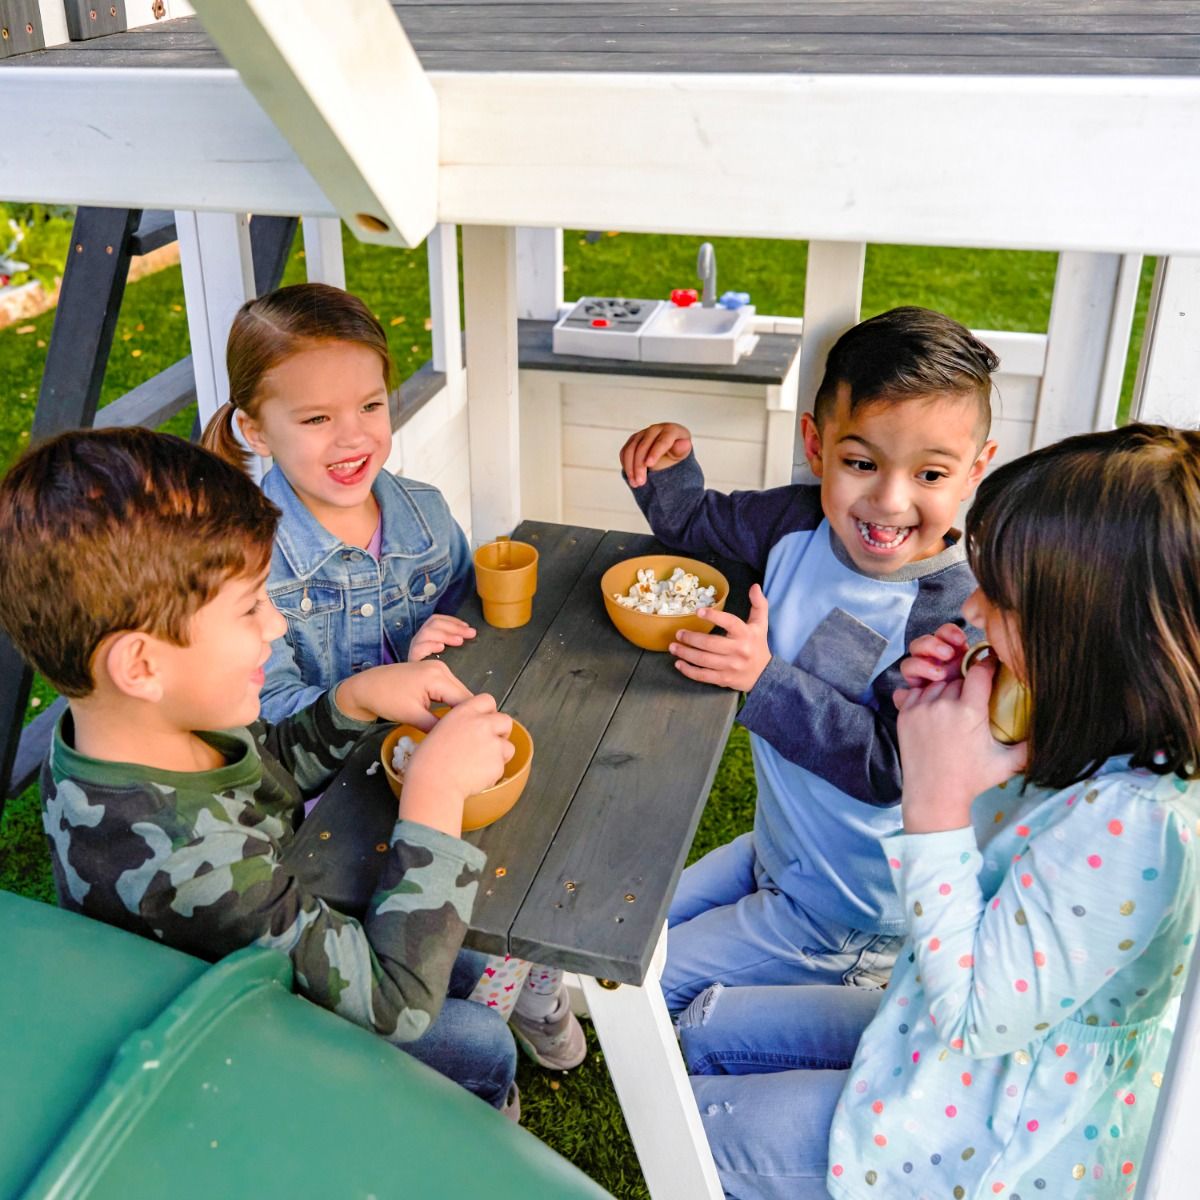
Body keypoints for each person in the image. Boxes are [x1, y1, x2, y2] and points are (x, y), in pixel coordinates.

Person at [679, 423, 1200, 1199]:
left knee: (696, 1130)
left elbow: (974, 1017)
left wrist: (936, 796)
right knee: (699, 1033)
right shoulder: (1092, 728)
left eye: (1007, 599)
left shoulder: (1139, 821)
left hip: (978, 1137)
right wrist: (973, 722)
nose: (976, 610)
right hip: (924, 1035)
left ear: (1099, 636)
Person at [0, 427, 520, 1114]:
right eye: (250, 607)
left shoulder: (137, 725)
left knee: (475, 955)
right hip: (240, 1049)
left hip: (264, 928)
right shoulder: (189, 859)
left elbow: (265, 767)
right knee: (482, 1044)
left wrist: (352, 699)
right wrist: (436, 791)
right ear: (142, 665)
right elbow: (398, 1007)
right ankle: (459, 1145)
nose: (275, 627)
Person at [201, 282, 585, 1071]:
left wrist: (439, 632)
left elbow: (452, 615)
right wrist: (391, 670)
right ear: (255, 429)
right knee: (449, 897)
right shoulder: (250, 560)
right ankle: (474, 1030)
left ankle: (529, 985)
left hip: (427, 749)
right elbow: (267, 718)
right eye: (314, 419)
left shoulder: (420, 512)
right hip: (325, 797)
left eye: (370, 407)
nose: (353, 438)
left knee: (545, 845)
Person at [620, 307, 999, 1011]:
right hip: (780, 853)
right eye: (860, 463)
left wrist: (763, 679)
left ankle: (832, 1005)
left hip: (849, 907)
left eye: (930, 473)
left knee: (643, 991)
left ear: (976, 470)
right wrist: (668, 471)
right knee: (622, 932)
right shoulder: (796, 522)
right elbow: (698, 523)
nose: (889, 500)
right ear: (816, 445)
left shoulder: (951, 615)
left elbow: (891, 768)